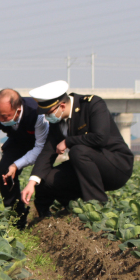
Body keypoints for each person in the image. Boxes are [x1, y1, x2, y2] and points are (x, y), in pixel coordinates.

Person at [21, 80, 134, 217]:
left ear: (62, 106)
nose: (47, 117)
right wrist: (32, 182)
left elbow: (100, 137)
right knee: (48, 179)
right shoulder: (58, 121)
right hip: (87, 167)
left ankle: (97, 207)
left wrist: (68, 141)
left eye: (49, 113)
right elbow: (48, 151)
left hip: (116, 166)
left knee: (78, 151)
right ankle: (68, 210)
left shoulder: (92, 104)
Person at [0, 88, 48, 228]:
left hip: (40, 145)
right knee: (4, 171)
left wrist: (16, 165)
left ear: (18, 110)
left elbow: (40, 147)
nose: (1, 119)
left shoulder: (37, 113)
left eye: (5, 116)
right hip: (17, 142)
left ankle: (44, 214)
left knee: (43, 174)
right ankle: (16, 217)